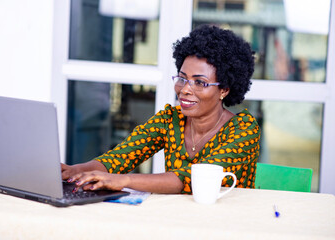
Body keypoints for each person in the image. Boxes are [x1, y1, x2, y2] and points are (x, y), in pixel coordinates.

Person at [62, 24, 260, 194]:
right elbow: (119, 158)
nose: (184, 90)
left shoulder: (243, 129)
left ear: (224, 90)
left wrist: (125, 181)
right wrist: (74, 171)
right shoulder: (170, 119)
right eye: (182, 79)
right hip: (177, 220)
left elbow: (190, 178)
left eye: (200, 82)